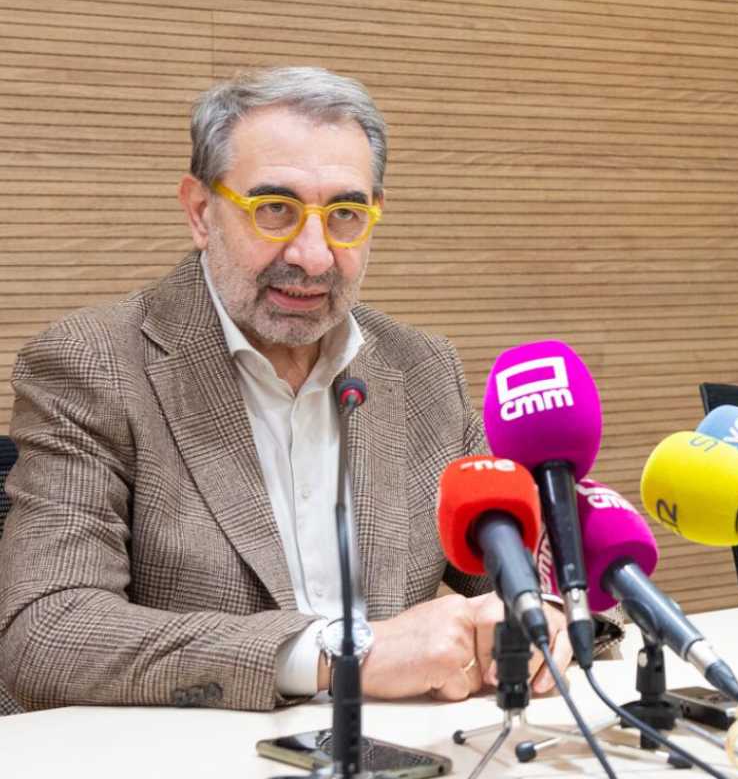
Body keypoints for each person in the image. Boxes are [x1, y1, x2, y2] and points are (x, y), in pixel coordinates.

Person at [0, 67, 571, 713]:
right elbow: (47, 632)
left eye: (346, 215)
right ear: (199, 212)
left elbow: (524, 570)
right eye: (275, 210)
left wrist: (542, 611)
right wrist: (346, 654)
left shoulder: (423, 371)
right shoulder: (93, 364)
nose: (313, 255)